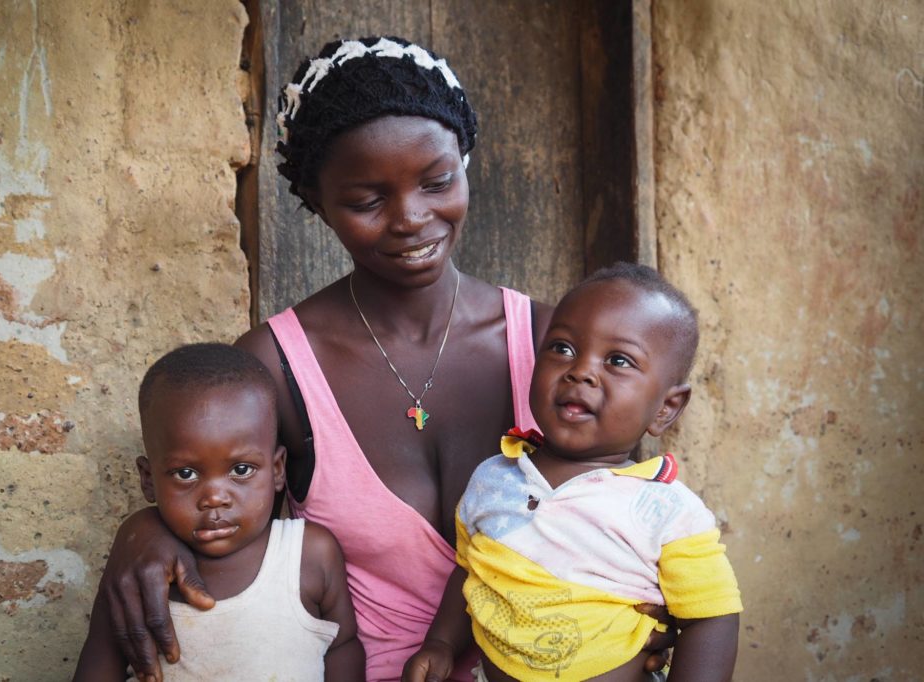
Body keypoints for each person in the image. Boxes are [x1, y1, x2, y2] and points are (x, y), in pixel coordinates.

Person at [97, 36, 672, 682]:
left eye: (437, 181)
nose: (411, 218)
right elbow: (210, 487)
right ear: (316, 203)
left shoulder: (551, 345)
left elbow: (635, 510)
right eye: (368, 201)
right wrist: (144, 533)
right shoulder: (277, 365)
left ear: (466, 165)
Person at [402, 263, 743, 682]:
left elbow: (712, 616)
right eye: (562, 348)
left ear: (666, 408)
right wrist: (440, 643)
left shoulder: (665, 510)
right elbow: (472, 570)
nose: (580, 371)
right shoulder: (493, 480)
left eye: (618, 360)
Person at [74, 343, 364, 681]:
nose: (214, 497)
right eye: (186, 474)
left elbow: (343, 646)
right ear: (148, 480)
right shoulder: (142, 568)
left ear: (278, 469)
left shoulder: (308, 555)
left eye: (241, 470)